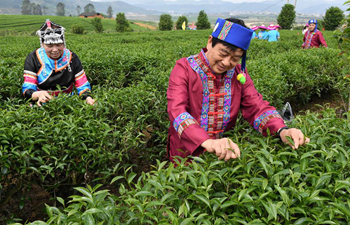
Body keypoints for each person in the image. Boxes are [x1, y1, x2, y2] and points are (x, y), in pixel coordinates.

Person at [167, 18, 310, 163]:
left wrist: (282, 130)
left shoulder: (238, 73)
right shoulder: (185, 68)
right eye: (223, 53)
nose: (226, 62)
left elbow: (256, 105)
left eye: (235, 58)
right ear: (210, 42)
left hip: (225, 153)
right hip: (186, 152)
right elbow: (177, 110)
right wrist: (208, 142)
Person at [22, 19, 95, 106]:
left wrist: (87, 97)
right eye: (50, 46)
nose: (55, 50)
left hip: (67, 101)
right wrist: (37, 95)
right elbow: (28, 88)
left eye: (59, 45)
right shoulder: (33, 58)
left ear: (64, 43)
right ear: (42, 44)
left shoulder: (72, 57)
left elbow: (82, 84)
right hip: (41, 102)